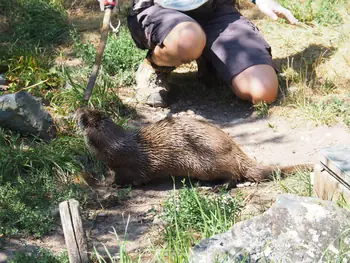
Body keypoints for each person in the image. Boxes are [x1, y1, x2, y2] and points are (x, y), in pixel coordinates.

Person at [127, 0, 298, 107]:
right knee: (188, 39)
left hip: (215, 9)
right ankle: (154, 66)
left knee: (263, 91)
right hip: (159, 8)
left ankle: (207, 57)